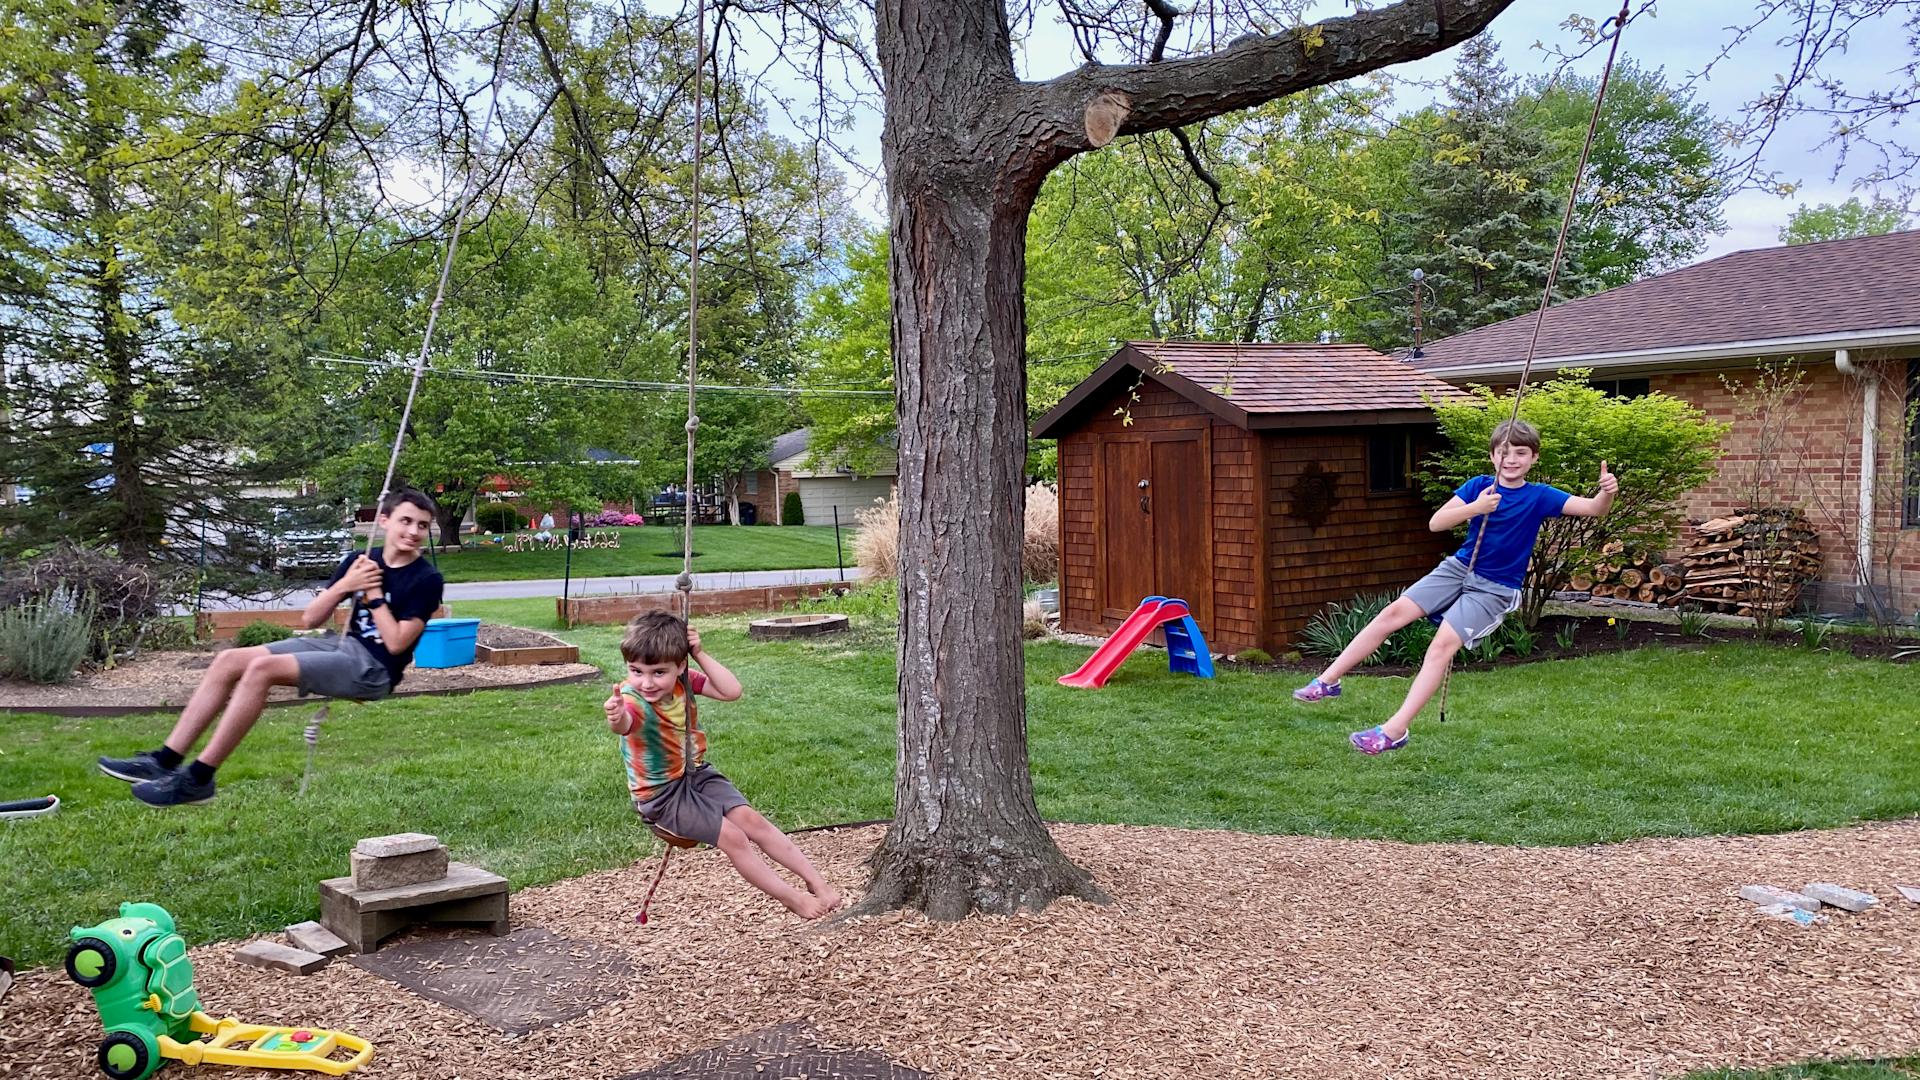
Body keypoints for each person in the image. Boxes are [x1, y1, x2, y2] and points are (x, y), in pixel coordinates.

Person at [98, 488, 447, 805]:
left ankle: (199, 779)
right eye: (406, 521)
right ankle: (164, 761)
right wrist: (346, 585)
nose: (413, 532)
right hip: (340, 646)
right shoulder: (360, 561)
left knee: (261, 670)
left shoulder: (426, 579)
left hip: (373, 670)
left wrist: (371, 596)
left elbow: (398, 641)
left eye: (422, 525)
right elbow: (311, 618)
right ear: (384, 520)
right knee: (229, 660)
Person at [1292, 420, 1618, 754]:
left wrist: (1606, 492)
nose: (1511, 459)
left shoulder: (1539, 497)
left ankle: (1394, 731)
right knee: (1392, 613)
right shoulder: (1479, 486)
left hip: (1494, 588)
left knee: (1441, 647)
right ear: (1493, 456)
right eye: (1504, 452)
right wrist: (1476, 507)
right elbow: (1436, 523)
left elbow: (1593, 510)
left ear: (1534, 458)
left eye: (1521, 453)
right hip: (1459, 568)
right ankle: (1328, 681)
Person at [602, 611, 842, 919]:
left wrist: (700, 653)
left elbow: (732, 691)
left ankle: (818, 884)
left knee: (753, 821)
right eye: (636, 670)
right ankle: (793, 899)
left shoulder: (682, 684)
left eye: (658, 672)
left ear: (680, 667)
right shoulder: (632, 699)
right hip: (661, 796)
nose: (646, 682)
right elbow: (626, 724)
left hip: (695, 774)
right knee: (734, 837)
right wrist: (616, 716)